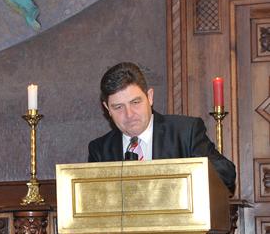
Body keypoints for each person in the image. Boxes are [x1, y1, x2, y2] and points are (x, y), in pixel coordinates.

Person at [88, 62, 236, 193]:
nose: (129, 114)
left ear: (150, 97)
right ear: (107, 108)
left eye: (135, 102)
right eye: (118, 107)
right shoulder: (100, 150)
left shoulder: (185, 132)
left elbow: (226, 175)